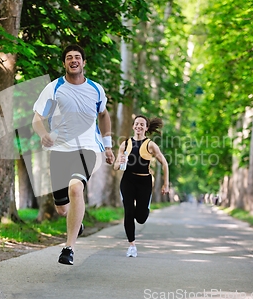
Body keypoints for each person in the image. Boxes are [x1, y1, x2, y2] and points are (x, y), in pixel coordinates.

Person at [32, 44, 115, 265]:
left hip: (87, 148)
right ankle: (75, 221)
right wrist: (43, 134)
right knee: (61, 208)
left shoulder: (96, 89)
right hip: (59, 150)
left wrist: (107, 146)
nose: (73, 60)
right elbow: (37, 119)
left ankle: (68, 248)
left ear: (84, 62)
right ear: (64, 63)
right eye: (69, 57)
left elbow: (104, 115)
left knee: (76, 188)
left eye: (77, 57)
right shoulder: (54, 87)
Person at [114, 115, 169, 257]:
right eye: (136, 124)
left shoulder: (150, 144)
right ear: (133, 126)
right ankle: (131, 245)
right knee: (128, 212)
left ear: (146, 128)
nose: (139, 126)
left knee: (141, 218)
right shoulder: (125, 144)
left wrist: (165, 184)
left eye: (142, 124)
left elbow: (165, 163)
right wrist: (119, 161)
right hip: (128, 180)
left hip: (144, 182)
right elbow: (115, 167)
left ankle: (146, 208)